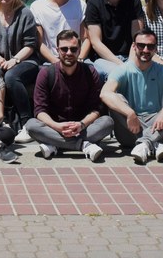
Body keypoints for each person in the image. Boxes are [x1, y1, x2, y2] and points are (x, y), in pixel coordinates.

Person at [100, 28, 163, 165]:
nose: (145, 49)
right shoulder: (123, 69)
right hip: (129, 128)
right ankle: (153, 143)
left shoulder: (162, 70)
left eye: (150, 46)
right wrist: (130, 113)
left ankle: (145, 144)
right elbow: (105, 93)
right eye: (141, 45)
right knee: (116, 98)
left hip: (156, 124)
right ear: (133, 46)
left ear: (156, 49)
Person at [25, 30, 114, 162]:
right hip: (54, 126)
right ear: (57, 50)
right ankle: (83, 145)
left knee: (108, 122)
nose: (69, 53)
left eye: (73, 49)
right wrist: (56, 126)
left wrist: (82, 124)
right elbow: (39, 111)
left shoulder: (90, 72)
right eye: (64, 49)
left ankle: (55, 144)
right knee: (31, 125)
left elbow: (98, 108)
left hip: (83, 127)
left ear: (79, 50)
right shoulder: (46, 73)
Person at [0, 0, 40, 141]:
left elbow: (31, 45)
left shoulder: (25, 13)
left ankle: (27, 124)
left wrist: (14, 60)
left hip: (26, 61)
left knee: (11, 76)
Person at [84, 0, 144, 81]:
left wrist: (130, 64)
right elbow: (96, 43)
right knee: (116, 74)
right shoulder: (93, 4)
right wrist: (121, 65)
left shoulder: (133, 1)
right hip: (104, 59)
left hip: (130, 56)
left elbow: (137, 38)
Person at [30, 0, 89, 65]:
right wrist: (57, 62)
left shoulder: (80, 5)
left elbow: (86, 39)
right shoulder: (37, 7)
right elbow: (40, 43)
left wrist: (79, 59)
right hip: (50, 62)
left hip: (76, 60)